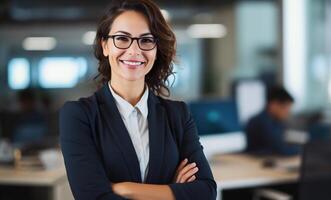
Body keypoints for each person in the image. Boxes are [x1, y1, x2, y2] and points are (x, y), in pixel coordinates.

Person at [59, 0, 216, 200]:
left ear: (156, 49)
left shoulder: (178, 114)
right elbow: (94, 197)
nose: (134, 51)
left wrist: (125, 189)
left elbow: (206, 192)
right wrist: (172, 192)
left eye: (146, 40)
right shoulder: (79, 115)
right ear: (105, 45)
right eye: (122, 39)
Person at [245, 86, 299, 156]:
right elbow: (280, 149)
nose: (288, 112)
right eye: (285, 108)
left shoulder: (276, 121)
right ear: (274, 105)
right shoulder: (261, 122)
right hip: (256, 162)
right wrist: (300, 149)